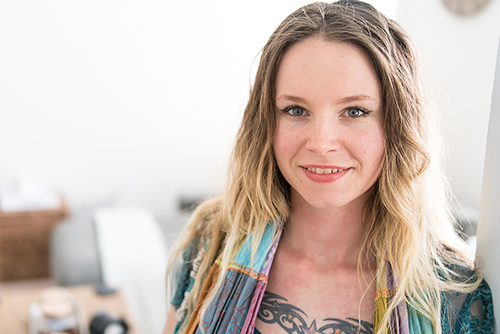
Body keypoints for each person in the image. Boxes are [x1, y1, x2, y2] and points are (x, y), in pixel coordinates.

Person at [163, 1, 494, 334]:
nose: (321, 143)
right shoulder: (211, 243)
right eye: (295, 110)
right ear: (266, 121)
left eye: (354, 112)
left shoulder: (456, 297)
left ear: (397, 125)